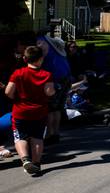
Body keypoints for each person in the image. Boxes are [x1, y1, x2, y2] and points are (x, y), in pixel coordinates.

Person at [4, 45, 54, 175]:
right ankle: (36, 164)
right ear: (41, 59)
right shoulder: (46, 75)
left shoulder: (18, 73)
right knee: (37, 137)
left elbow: (8, 92)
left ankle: (26, 160)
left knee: (20, 137)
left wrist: (16, 97)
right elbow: (49, 92)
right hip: (39, 112)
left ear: (25, 59)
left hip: (20, 111)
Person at [37, 34, 70, 145]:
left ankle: (49, 134)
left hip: (54, 79)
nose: (38, 45)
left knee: (51, 108)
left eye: (39, 43)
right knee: (57, 108)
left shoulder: (45, 49)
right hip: (65, 78)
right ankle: (56, 133)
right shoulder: (58, 50)